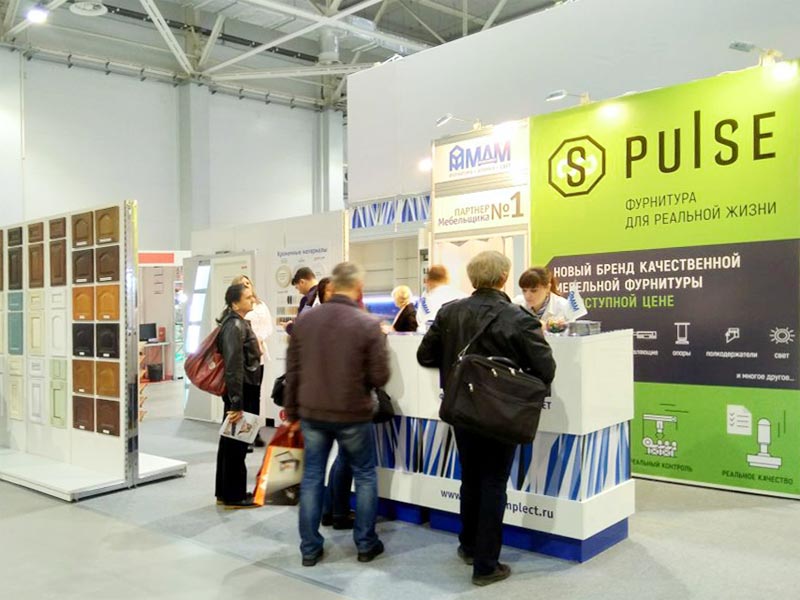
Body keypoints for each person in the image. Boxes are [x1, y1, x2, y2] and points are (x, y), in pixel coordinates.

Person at [416, 251, 556, 586]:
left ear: (472, 278)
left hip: (462, 409)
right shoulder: (519, 318)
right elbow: (546, 368)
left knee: (471, 477)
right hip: (501, 412)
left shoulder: (450, 312)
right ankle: (486, 565)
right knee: (494, 482)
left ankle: (468, 546)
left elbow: (425, 355)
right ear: (504, 277)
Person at [284, 262, 389, 567]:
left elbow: (293, 371)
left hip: (312, 412)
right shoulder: (367, 324)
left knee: (312, 477)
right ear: (358, 287)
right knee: (365, 475)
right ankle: (366, 544)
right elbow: (380, 376)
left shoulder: (305, 321)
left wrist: (292, 411)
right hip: (353, 412)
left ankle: (309, 548)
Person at [215, 283, 263, 509]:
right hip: (242, 392)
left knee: (230, 442)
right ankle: (234, 496)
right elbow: (233, 366)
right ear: (235, 304)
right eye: (248, 297)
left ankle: (226, 492)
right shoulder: (234, 326)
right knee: (237, 444)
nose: (252, 299)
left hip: (241, 391)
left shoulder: (236, 323)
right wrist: (236, 403)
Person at [232, 274, 273, 447]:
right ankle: (241, 433)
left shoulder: (261, 305)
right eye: (242, 284)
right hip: (243, 358)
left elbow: (268, 327)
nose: (246, 285)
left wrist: (258, 339)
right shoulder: (236, 309)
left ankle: (253, 432)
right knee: (244, 396)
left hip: (258, 356)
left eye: (248, 283)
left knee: (255, 396)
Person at [416, 265, 466, 332]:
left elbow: (423, 321)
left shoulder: (428, 299)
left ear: (428, 280)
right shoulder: (462, 296)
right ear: (447, 279)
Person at [285, 267, 319, 335]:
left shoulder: (307, 299)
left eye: (297, 288)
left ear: (302, 282)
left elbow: (300, 330)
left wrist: (288, 327)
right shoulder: (328, 294)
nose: (299, 292)